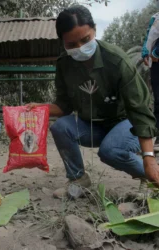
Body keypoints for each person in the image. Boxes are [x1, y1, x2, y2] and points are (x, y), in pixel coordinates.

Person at [27, 5, 159, 199]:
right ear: (62, 42)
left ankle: (150, 177)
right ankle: (78, 180)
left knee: (109, 150)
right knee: (60, 127)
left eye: (86, 39)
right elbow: (64, 107)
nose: (80, 48)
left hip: (124, 124)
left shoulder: (116, 61)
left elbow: (139, 110)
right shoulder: (64, 65)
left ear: (94, 30)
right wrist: (42, 108)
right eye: (72, 44)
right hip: (92, 126)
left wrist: (149, 160)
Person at [142, 0, 159, 151]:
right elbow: (149, 36)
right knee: (158, 99)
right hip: (157, 64)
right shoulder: (156, 18)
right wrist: (146, 52)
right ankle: (158, 136)